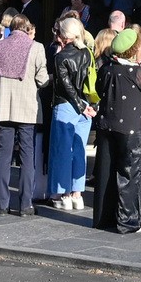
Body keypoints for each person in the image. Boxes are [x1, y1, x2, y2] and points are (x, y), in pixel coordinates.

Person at [0, 15, 49, 217]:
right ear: (27, 28)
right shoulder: (36, 47)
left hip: (3, 108)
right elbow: (42, 80)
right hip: (28, 109)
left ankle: (2, 205)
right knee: (27, 157)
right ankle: (25, 205)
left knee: (3, 156)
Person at [92, 28, 141, 234]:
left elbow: (98, 89)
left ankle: (104, 218)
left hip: (106, 127)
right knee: (131, 174)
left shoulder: (106, 69)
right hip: (130, 129)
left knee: (106, 172)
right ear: (132, 51)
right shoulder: (136, 72)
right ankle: (129, 221)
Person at [47, 17, 96, 211]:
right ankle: (78, 194)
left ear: (64, 35)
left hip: (67, 106)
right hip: (85, 103)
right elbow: (92, 81)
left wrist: (80, 106)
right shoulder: (88, 53)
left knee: (62, 151)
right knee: (79, 149)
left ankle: (65, 194)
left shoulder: (61, 57)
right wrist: (89, 105)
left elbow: (66, 87)